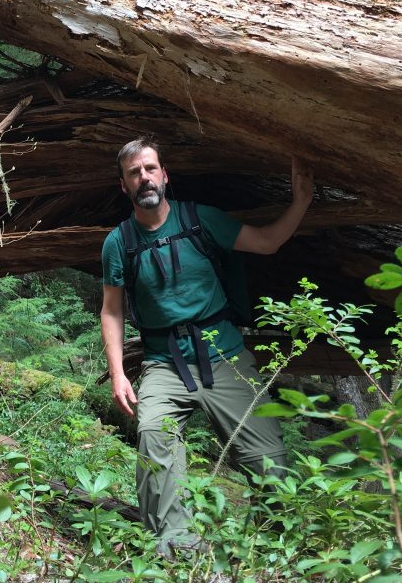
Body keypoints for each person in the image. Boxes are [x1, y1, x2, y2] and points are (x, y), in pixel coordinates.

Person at [100, 137, 313, 555]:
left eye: (150, 168)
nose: (144, 177)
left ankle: (281, 547)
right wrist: (120, 374)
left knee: (269, 459)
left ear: (164, 175)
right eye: (134, 173)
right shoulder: (119, 242)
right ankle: (177, 547)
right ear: (124, 186)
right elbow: (111, 310)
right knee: (153, 435)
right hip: (164, 362)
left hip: (225, 355)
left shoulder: (199, 220)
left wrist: (302, 201)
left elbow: (268, 242)